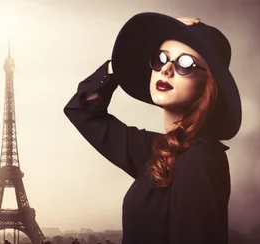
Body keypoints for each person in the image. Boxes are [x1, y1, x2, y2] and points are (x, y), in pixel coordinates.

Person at [64, 12, 242, 244]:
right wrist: (115, 65)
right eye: (161, 58)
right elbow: (82, 111)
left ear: (208, 85)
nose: (166, 70)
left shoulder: (199, 158)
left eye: (185, 63)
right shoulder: (159, 151)